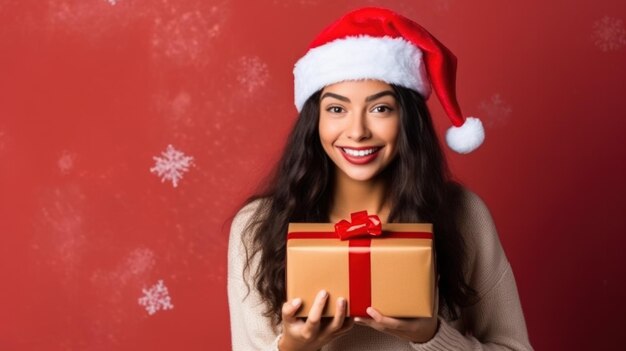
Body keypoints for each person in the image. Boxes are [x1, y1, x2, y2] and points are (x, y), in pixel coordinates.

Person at [227, 7, 532, 351]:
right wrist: (295, 348)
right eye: (337, 109)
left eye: (380, 108)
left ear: (408, 120)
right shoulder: (257, 227)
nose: (357, 132)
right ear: (314, 121)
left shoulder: (462, 213)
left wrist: (431, 336)